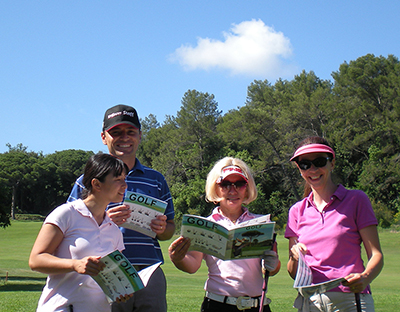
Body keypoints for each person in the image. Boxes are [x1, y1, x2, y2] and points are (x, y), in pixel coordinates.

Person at [67, 104, 175, 312]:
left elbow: (169, 229)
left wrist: (162, 229)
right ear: (103, 137)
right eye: (115, 132)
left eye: (130, 132)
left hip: (149, 272)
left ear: (140, 135)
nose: (124, 137)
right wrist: (103, 217)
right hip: (104, 273)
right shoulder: (86, 180)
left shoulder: (156, 179)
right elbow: (68, 227)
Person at [168, 157, 280, 312]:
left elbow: (270, 269)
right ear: (216, 188)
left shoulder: (262, 224)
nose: (232, 191)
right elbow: (192, 265)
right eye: (225, 185)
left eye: (239, 184)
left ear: (247, 188)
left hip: (256, 305)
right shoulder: (206, 225)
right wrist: (177, 258)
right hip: (217, 304)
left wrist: (272, 265)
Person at [285, 136, 384, 311]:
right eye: (305, 164)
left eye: (320, 161)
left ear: (332, 163)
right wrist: (294, 258)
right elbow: (294, 274)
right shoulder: (296, 211)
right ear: (300, 169)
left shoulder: (356, 199)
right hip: (311, 301)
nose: (313, 169)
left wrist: (365, 277)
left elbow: (376, 255)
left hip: (351, 299)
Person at [29, 153, 131, 312]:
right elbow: (36, 260)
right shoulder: (66, 214)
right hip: (61, 308)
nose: (124, 185)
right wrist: (75, 264)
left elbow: (112, 278)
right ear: (97, 184)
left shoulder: (114, 230)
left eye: (125, 179)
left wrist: (121, 290)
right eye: (118, 180)